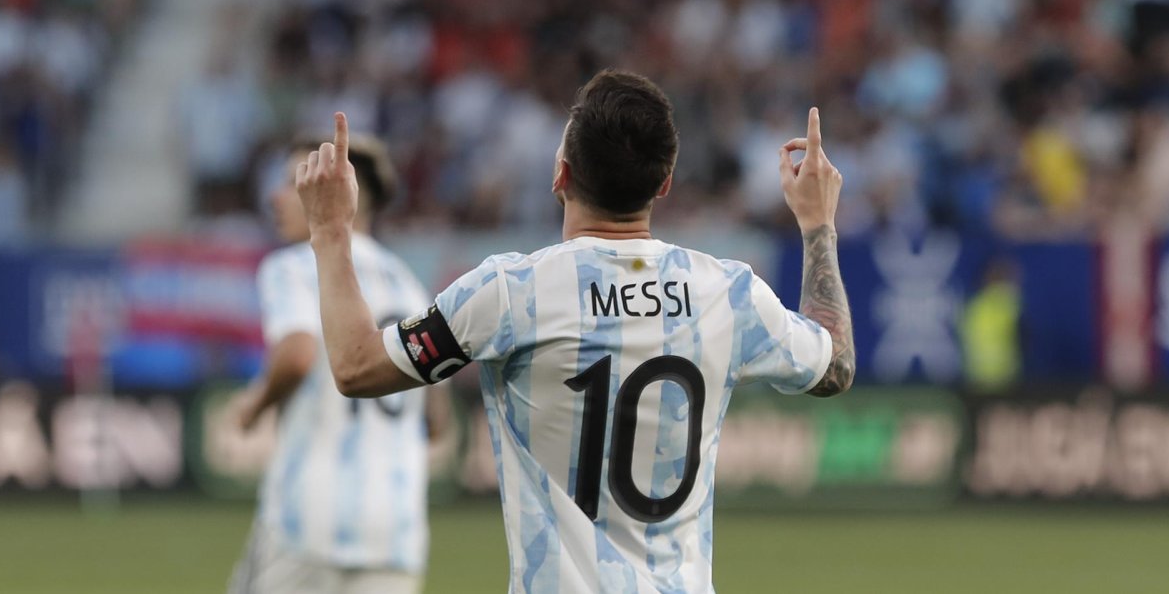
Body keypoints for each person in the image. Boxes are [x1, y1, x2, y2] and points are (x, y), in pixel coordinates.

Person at [297, 70, 855, 593]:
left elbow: (355, 366)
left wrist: (329, 229)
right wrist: (817, 224)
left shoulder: (510, 292)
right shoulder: (728, 293)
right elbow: (834, 366)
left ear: (560, 174)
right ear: (663, 184)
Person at [229, 132, 448, 594]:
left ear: (335, 194)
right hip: (395, 529)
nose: (277, 196)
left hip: (307, 519)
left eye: (295, 182)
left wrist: (254, 406)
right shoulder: (409, 285)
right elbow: (438, 419)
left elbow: (296, 353)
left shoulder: (292, 266)